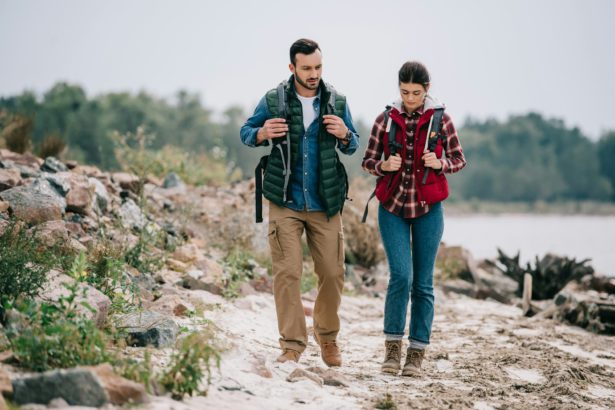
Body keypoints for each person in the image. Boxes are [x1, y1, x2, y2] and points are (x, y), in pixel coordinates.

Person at [240, 38, 359, 367]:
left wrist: (345, 135)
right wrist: (262, 133)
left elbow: (353, 144)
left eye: (318, 67)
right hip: (285, 200)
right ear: (292, 68)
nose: (314, 74)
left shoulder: (337, 100)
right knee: (287, 274)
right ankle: (291, 345)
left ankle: (328, 338)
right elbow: (246, 131)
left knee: (333, 273)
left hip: (326, 201)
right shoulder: (274, 99)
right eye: (306, 68)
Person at [362, 61, 466, 376]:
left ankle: (416, 355)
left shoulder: (442, 120)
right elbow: (368, 161)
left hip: (428, 210)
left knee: (423, 285)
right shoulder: (384, 119)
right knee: (401, 278)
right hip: (391, 207)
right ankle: (392, 351)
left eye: (416, 93)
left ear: (427, 90)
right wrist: (384, 167)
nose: (409, 98)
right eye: (405, 92)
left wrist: (440, 162)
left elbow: (460, 159)